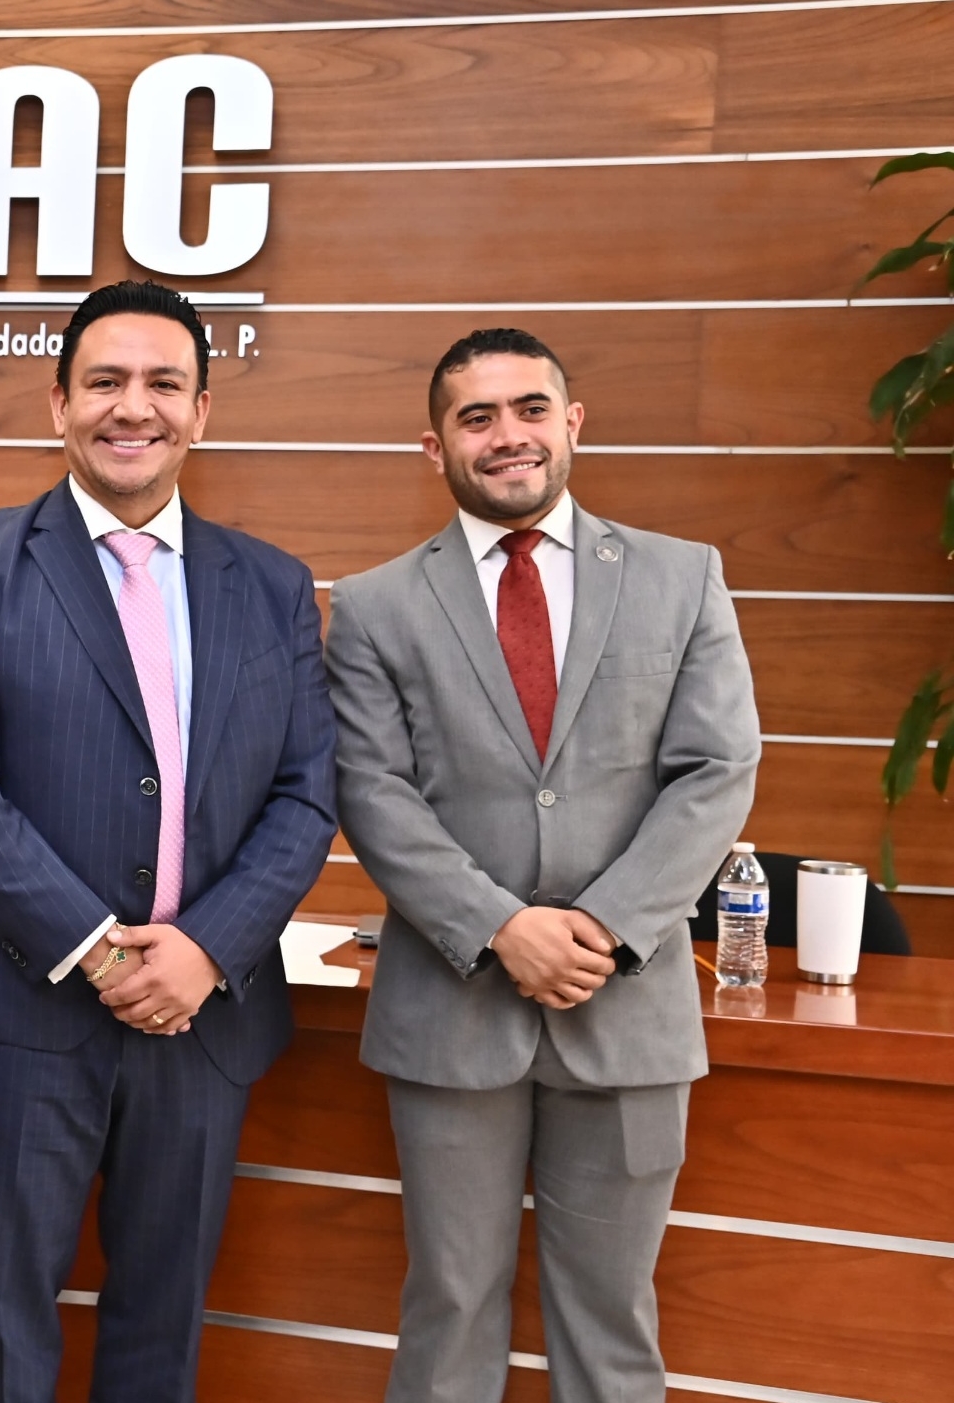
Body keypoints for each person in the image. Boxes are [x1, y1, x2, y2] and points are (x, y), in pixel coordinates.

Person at [0, 280, 338, 1403]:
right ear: (59, 404)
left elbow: (305, 795)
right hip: (24, 1007)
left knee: (164, 1311)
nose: (131, 407)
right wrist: (100, 951)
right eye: (104, 381)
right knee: (9, 1314)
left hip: (204, 1013)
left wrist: (205, 949)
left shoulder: (273, 585)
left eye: (162, 384)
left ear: (201, 411)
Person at [326, 328, 758, 1403]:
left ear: (572, 423)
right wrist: (499, 925)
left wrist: (604, 926)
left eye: (529, 408)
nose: (507, 435)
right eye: (476, 417)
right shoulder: (375, 604)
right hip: (452, 1010)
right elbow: (373, 791)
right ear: (435, 447)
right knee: (450, 1308)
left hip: (629, 1011)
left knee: (612, 1321)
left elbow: (717, 768)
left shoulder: (681, 576)